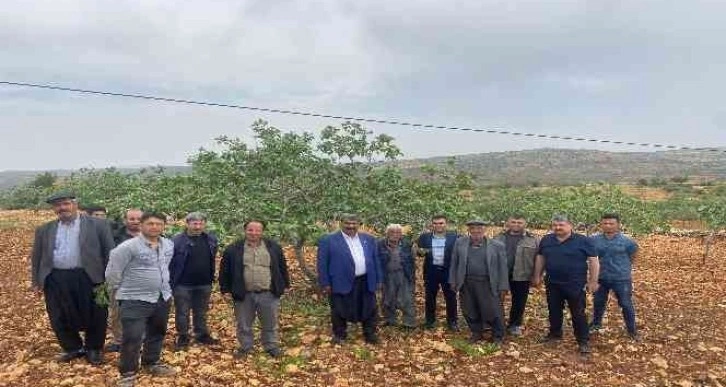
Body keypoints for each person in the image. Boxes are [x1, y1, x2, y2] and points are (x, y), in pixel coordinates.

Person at [29, 191, 115, 365]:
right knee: (59, 314)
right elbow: (37, 256)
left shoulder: (98, 225)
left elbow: (110, 252)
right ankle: (73, 348)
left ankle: (94, 348)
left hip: (93, 276)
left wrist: (111, 278)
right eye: (58, 205)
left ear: (75, 204)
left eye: (66, 203)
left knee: (97, 313)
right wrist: (36, 281)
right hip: (56, 278)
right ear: (54, 209)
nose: (62, 208)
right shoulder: (44, 230)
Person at [106, 212, 176, 387]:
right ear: (142, 225)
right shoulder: (127, 247)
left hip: (162, 296)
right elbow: (112, 273)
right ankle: (127, 373)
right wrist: (120, 291)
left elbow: (165, 267)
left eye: (159, 224)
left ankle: (151, 362)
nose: (155, 227)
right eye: (150, 223)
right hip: (134, 298)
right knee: (132, 336)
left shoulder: (168, 244)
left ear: (163, 226)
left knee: (157, 332)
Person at [219, 220, 290, 358]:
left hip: (268, 292)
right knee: (244, 324)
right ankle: (245, 347)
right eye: (250, 230)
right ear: (245, 231)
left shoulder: (273, 247)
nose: (254, 233)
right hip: (244, 293)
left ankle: (271, 346)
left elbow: (282, 267)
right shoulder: (233, 249)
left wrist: (284, 285)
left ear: (262, 231)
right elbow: (225, 270)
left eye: (257, 230)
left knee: (270, 322)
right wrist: (225, 289)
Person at [532, 215, 600, 355]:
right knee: (554, 310)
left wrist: (593, 281)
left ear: (570, 226)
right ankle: (555, 334)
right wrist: (537, 275)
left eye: (561, 225)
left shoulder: (583, 241)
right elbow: (541, 257)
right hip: (552, 282)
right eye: (555, 225)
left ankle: (583, 341)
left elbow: (593, 261)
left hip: (575, 283)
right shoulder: (547, 240)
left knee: (578, 313)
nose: (557, 227)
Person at [317, 214, 383, 344]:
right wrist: (325, 282)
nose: (351, 226)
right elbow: (322, 263)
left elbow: (376, 260)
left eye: (354, 223)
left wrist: (379, 279)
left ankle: (370, 334)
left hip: (365, 280)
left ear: (359, 224)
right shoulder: (328, 240)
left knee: (369, 308)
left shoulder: (369, 239)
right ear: (341, 223)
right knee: (339, 309)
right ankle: (340, 335)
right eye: (347, 223)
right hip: (340, 280)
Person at [449, 220, 509, 345]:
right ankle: (476, 332)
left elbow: (503, 268)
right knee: (469, 309)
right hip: (466, 282)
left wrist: (503, 286)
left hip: (487, 282)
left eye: (479, 228)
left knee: (493, 310)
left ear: (484, 229)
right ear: (469, 230)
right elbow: (454, 262)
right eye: (473, 228)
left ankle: (498, 335)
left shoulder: (497, 245)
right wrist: (453, 280)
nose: (476, 231)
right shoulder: (460, 243)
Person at [170, 212, 220, 350]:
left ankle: (201, 334)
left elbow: (212, 258)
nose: (198, 226)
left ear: (204, 224)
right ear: (187, 224)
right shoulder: (176, 241)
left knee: (201, 311)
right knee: (182, 312)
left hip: (204, 283)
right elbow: (170, 262)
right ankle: (183, 336)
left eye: (201, 223)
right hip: (182, 284)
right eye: (194, 223)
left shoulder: (210, 239)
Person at [589, 213, 640, 341]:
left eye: (611, 223)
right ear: (601, 224)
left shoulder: (627, 241)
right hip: (601, 276)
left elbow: (633, 255)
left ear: (618, 225)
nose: (608, 226)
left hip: (621, 278)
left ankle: (632, 330)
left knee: (625, 303)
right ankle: (596, 323)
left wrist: (624, 266)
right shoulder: (594, 240)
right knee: (598, 302)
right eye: (605, 223)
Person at [493, 215, 540, 336]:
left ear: (525, 223)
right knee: (497, 299)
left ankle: (514, 325)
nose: (516, 224)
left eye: (519, 222)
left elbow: (538, 259)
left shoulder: (533, 240)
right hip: (501, 274)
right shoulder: (498, 237)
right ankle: (497, 323)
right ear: (508, 223)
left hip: (522, 275)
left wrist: (536, 275)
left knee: (519, 301)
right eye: (513, 222)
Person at [107, 208, 143, 353]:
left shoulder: (153, 236)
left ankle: (140, 340)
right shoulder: (115, 237)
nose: (135, 222)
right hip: (119, 280)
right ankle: (118, 340)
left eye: (138, 219)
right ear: (125, 220)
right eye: (131, 219)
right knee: (117, 312)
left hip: (143, 281)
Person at [415, 214, 460, 331]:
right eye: (435, 223)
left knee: (450, 297)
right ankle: (429, 321)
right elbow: (419, 252)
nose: (438, 225)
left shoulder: (454, 237)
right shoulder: (424, 237)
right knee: (430, 297)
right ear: (432, 225)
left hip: (448, 271)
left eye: (441, 223)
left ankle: (452, 321)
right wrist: (420, 252)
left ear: (446, 224)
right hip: (431, 271)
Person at [377, 224, 416, 329]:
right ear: (387, 233)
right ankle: (390, 319)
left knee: (407, 298)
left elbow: (412, 260)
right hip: (387, 275)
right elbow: (376, 261)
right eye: (392, 232)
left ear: (401, 234)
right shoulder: (380, 244)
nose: (395, 234)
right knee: (387, 298)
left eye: (397, 232)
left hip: (403, 274)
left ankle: (409, 323)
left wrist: (412, 276)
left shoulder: (407, 244)